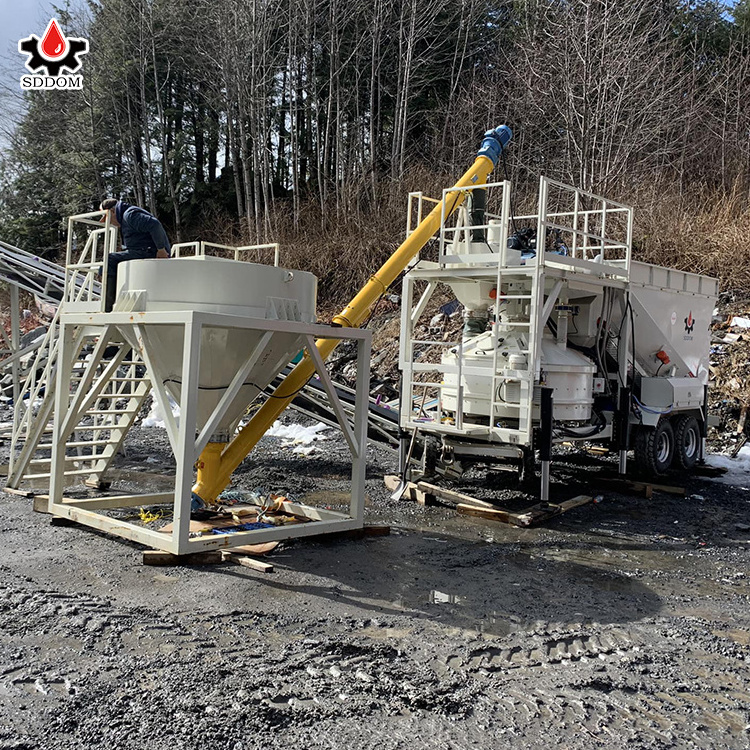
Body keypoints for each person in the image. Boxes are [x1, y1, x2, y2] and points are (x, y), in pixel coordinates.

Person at [99, 198, 171, 311]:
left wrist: (161, 250)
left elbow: (155, 225)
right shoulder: (126, 216)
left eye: (107, 218)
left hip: (149, 252)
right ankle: (111, 299)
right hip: (143, 250)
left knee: (110, 259)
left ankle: (107, 307)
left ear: (112, 211)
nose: (110, 222)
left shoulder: (130, 216)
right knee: (112, 261)